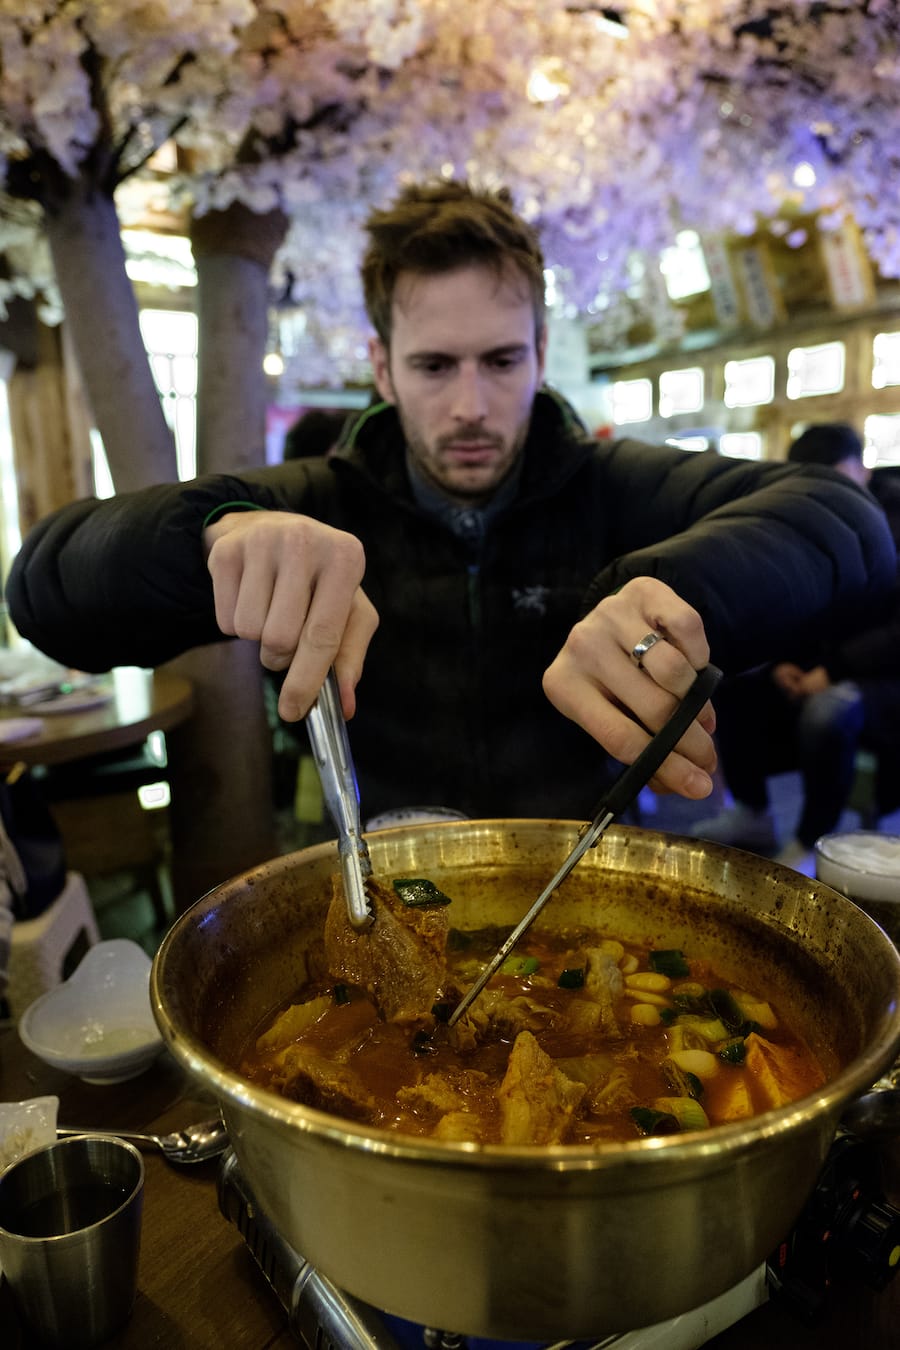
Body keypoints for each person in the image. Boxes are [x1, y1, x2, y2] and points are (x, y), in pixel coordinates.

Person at [4, 182, 896, 826]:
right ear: (384, 368)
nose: (470, 405)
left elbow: (852, 526)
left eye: (500, 361)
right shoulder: (320, 502)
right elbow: (44, 590)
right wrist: (206, 539)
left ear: (539, 352)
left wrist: (679, 591)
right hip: (380, 885)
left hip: (580, 878)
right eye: (434, 366)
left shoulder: (611, 483)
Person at [689, 423, 900, 867]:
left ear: (861, 470)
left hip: (883, 679)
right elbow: (788, 603)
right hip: (816, 665)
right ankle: (753, 812)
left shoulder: (893, 516)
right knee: (732, 682)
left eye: (835, 479)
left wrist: (833, 669)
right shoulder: (805, 519)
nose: (828, 494)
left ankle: (812, 841)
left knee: (829, 709)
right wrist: (778, 661)